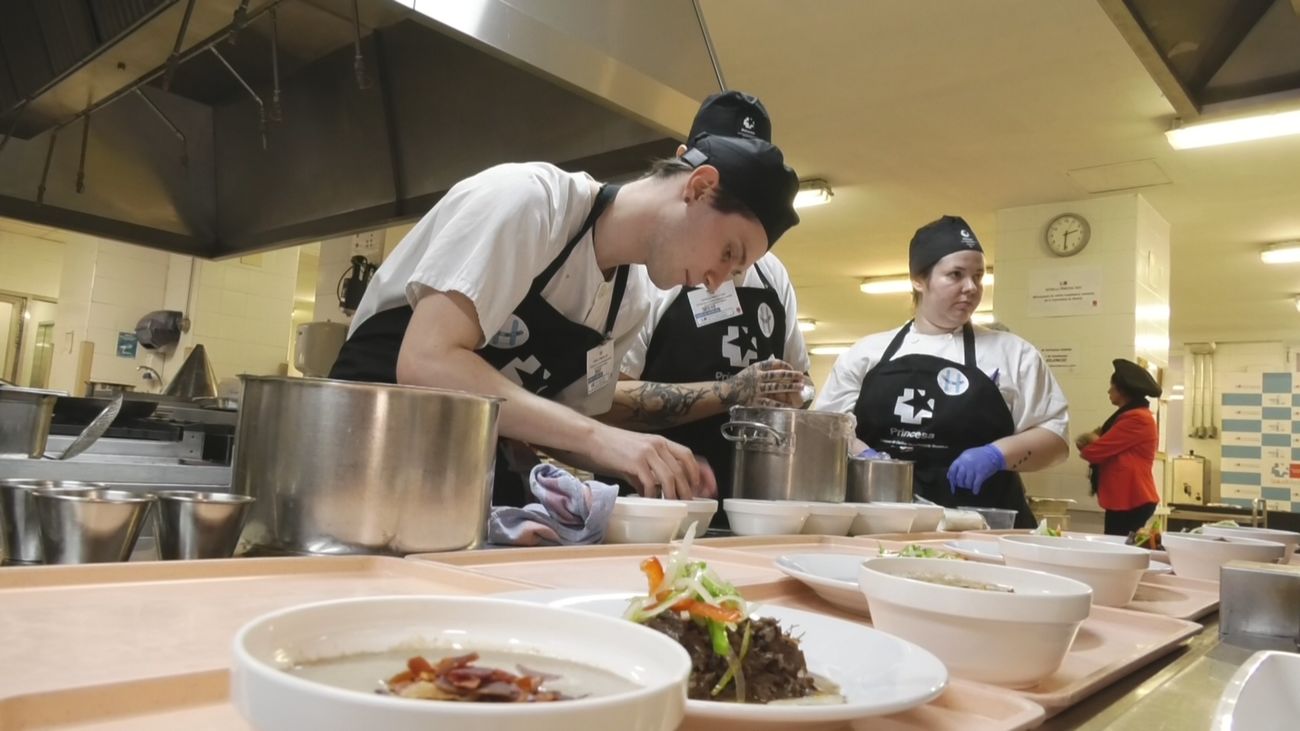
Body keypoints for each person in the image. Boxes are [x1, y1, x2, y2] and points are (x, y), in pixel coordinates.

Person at [328, 131, 801, 506]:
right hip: (362, 453)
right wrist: (600, 439)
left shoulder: (630, 299)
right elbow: (426, 362)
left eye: (735, 270)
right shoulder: (531, 202)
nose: (718, 281)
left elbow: (564, 420)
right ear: (699, 188)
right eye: (728, 252)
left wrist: (644, 461)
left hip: (458, 483)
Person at [606, 91, 810, 503]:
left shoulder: (773, 275)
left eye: (735, 259)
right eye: (727, 252)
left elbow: (802, 387)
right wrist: (731, 392)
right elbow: (600, 400)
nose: (716, 279)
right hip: (651, 499)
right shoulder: (643, 268)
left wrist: (792, 394)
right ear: (693, 179)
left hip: (751, 499)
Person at [813, 215, 1069, 527]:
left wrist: (996, 454)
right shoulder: (866, 354)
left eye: (978, 276)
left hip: (982, 526)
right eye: (956, 275)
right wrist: (862, 455)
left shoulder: (1014, 353)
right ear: (918, 280)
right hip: (882, 522)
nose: (971, 288)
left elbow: (1055, 436)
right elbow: (825, 429)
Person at [1076, 359, 1161, 536]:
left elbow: (1093, 451)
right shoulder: (1130, 416)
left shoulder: (1136, 418)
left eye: (1112, 386)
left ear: (1123, 391)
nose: (1109, 391)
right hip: (1126, 498)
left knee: (1118, 552)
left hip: (1132, 498)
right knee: (1117, 549)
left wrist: (1091, 439)